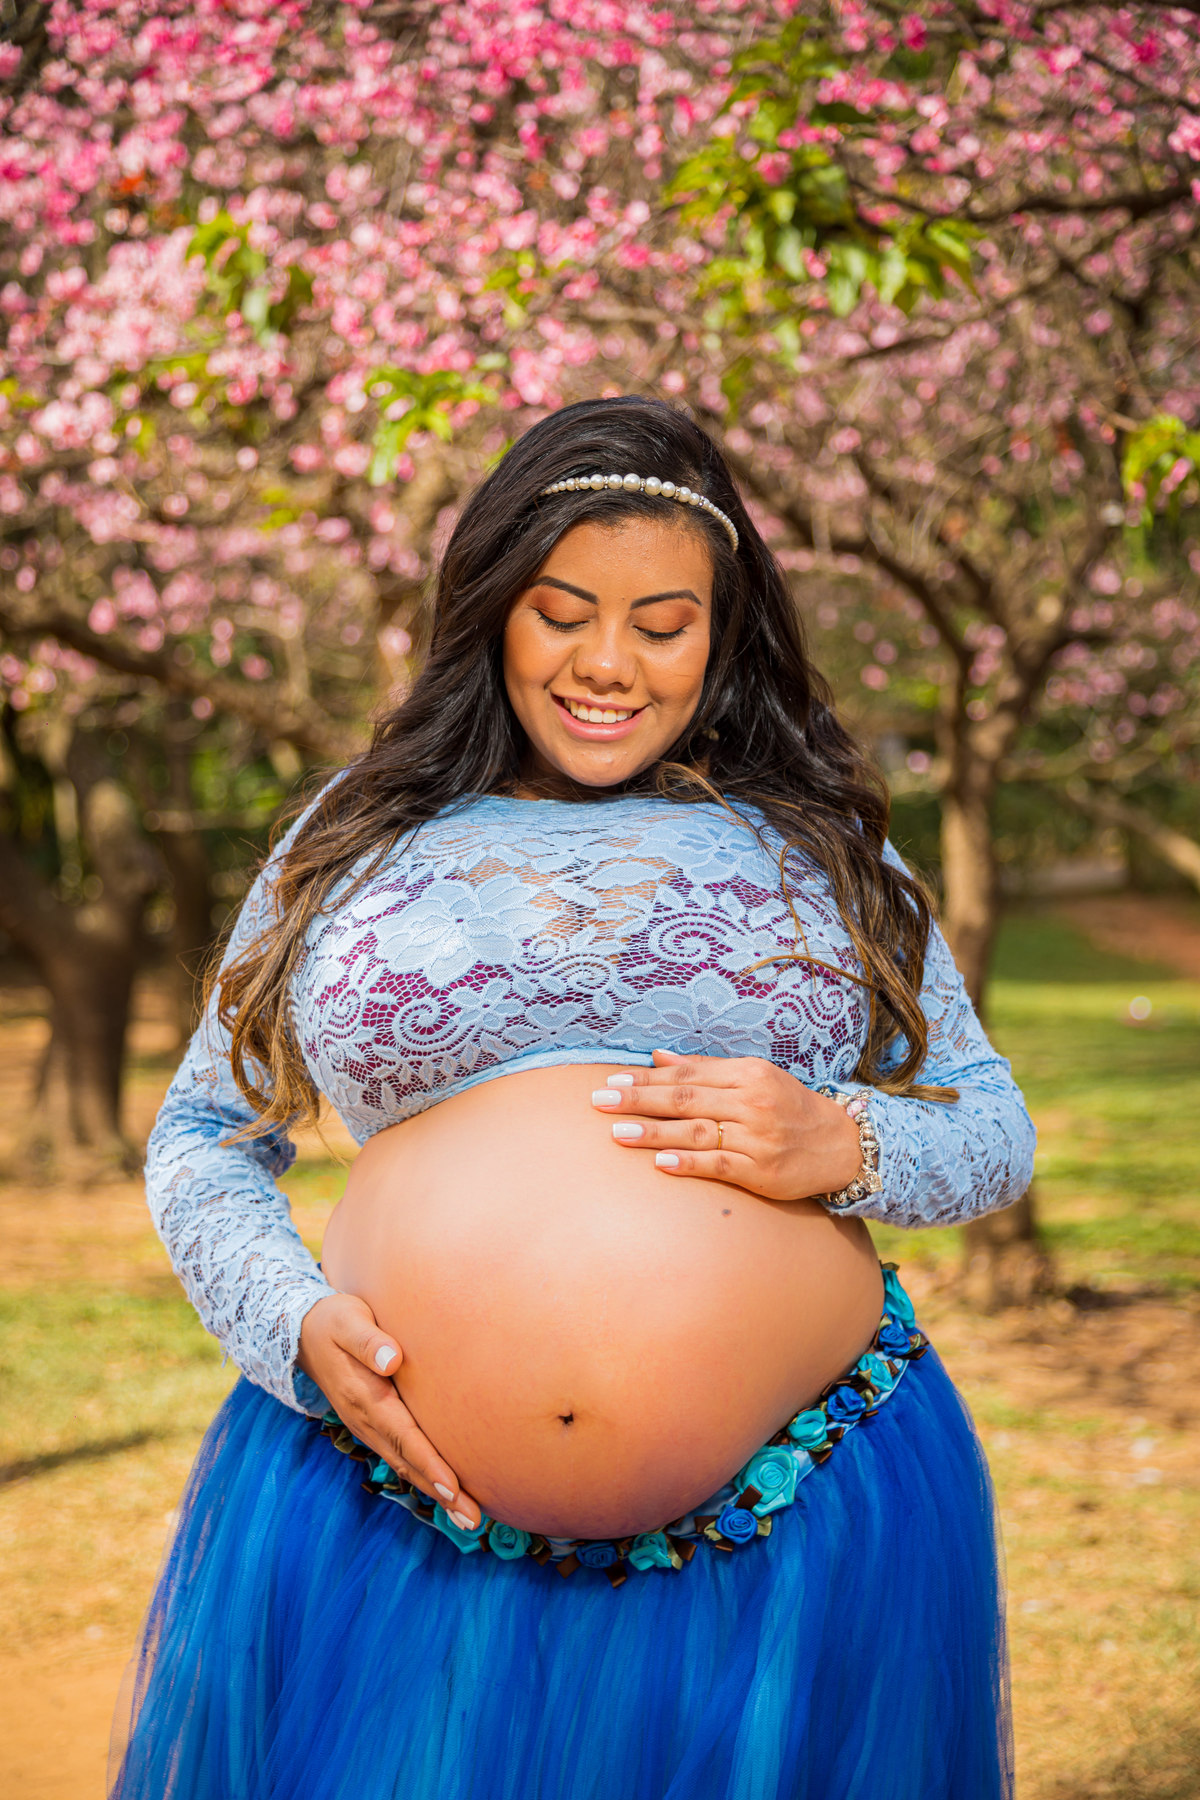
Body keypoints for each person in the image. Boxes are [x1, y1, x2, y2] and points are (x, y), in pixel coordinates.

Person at [111, 396, 1033, 1800]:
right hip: (392, 1523)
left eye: (663, 625)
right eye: (562, 612)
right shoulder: (354, 836)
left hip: (802, 1527)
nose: (610, 664)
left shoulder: (825, 847)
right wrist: (292, 1326)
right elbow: (201, 1138)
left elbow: (989, 1131)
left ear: (721, 637)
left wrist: (839, 1138)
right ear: (493, 611)